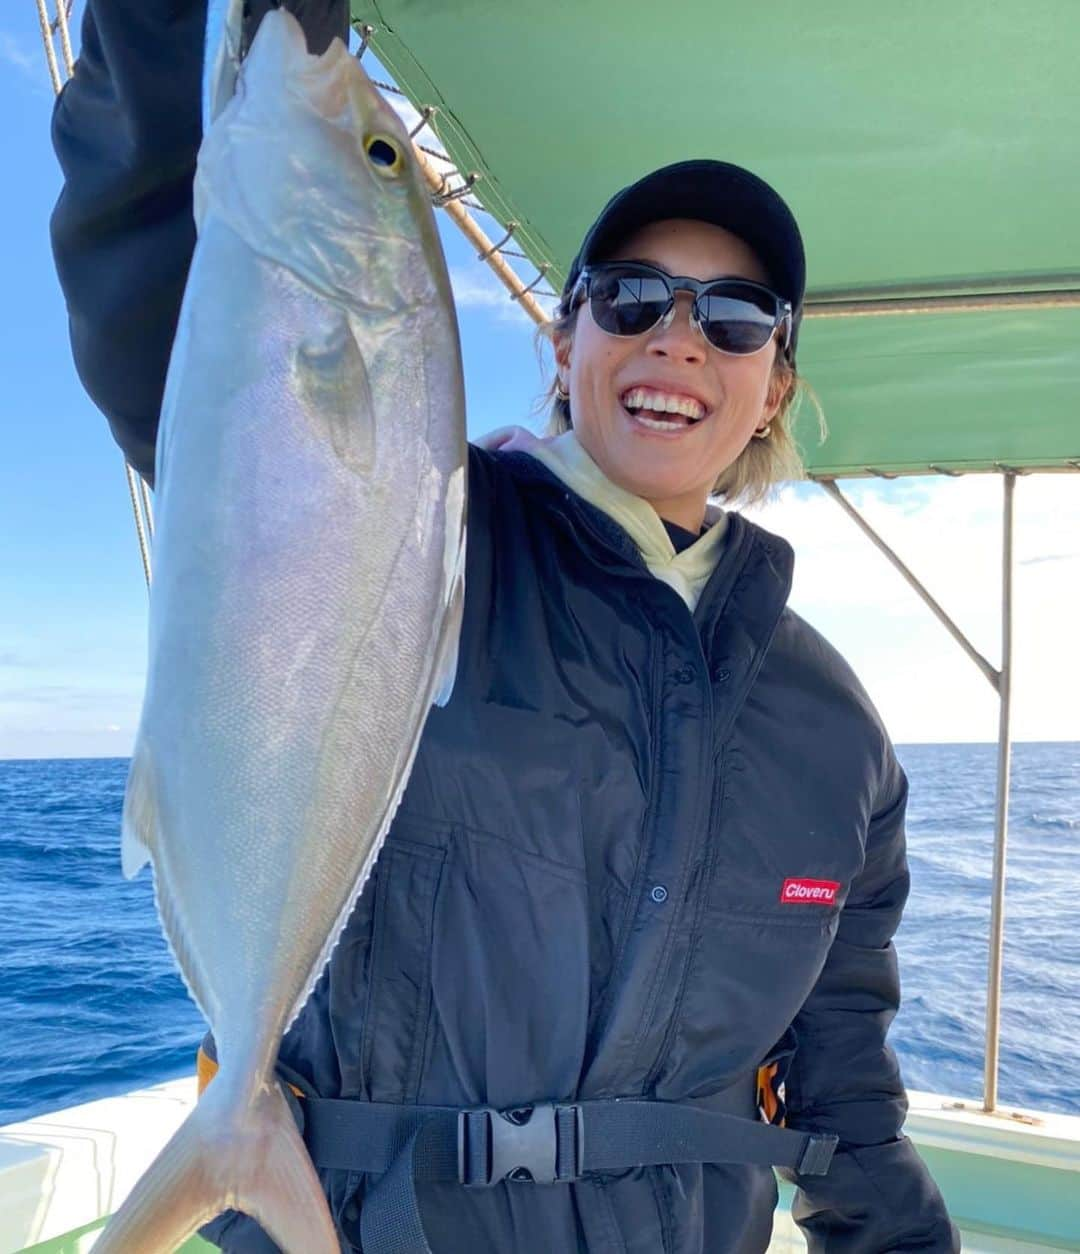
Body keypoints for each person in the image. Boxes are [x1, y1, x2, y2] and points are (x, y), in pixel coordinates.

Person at [50, 2, 961, 1251]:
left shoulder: (836, 729)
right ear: (563, 333)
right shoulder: (413, 534)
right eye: (633, 297)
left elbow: (845, 1088)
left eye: (734, 317)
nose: (678, 340)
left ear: (774, 386)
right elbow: (176, 329)